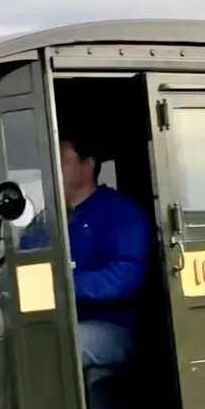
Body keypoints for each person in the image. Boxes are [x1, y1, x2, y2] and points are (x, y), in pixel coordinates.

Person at [57, 135, 151, 369]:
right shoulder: (45, 222)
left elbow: (125, 276)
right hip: (57, 323)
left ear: (88, 163)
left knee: (59, 349)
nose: (54, 168)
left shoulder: (121, 212)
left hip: (111, 326)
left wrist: (65, 284)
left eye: (61, 160)